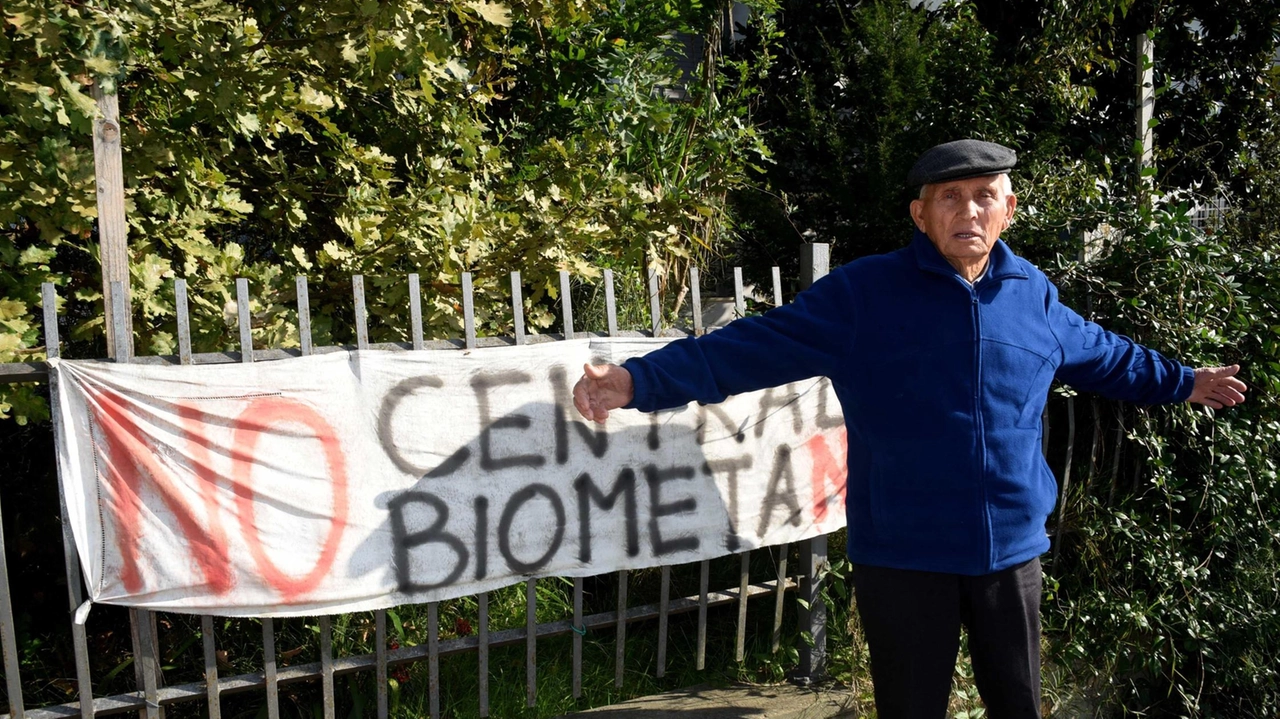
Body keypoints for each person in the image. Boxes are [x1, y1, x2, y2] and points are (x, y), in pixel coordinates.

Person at [571, 139, 1247, 719]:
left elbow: (1107, 356)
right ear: (920, 214)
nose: (970, 210)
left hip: (1009, 556)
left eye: (985, 195)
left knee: (1018, 705)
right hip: (904, 557)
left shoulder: (1032, 294)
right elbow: (749, 346)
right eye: (950, 197)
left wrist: (1187, 381)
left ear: (1008, 210)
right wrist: (637, 382)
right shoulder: (865, 296)